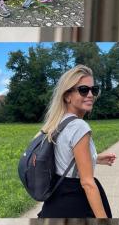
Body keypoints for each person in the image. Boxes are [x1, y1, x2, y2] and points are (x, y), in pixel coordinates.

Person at [38, 65, 115, 218]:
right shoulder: (79, 126)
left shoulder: (58, 123)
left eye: (94, 90)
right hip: (76, 201)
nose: (90, 94)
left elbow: (65, 157)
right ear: (67, 96)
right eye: (83, 90)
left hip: (56, 199)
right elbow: (87, 183)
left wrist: (96, 158)